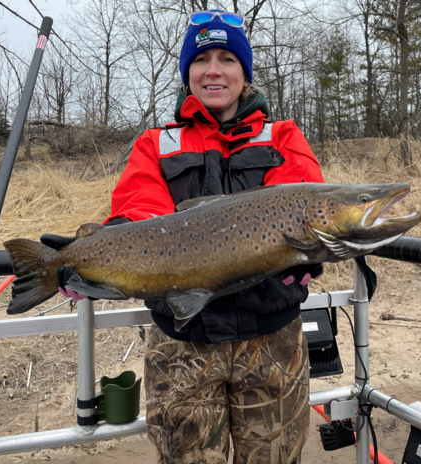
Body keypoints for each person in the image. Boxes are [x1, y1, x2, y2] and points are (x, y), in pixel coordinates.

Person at [68, 9, 325, 464]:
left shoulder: (283, 136)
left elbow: (307, 213)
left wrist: (308, 258)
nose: (213, 70)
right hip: (183, 342)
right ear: (188, 73)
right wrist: (96, 257)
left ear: (244, 72)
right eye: (201, 59)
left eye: (227, 58)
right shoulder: (156, 143)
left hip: (272, 340)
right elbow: (138, 211)